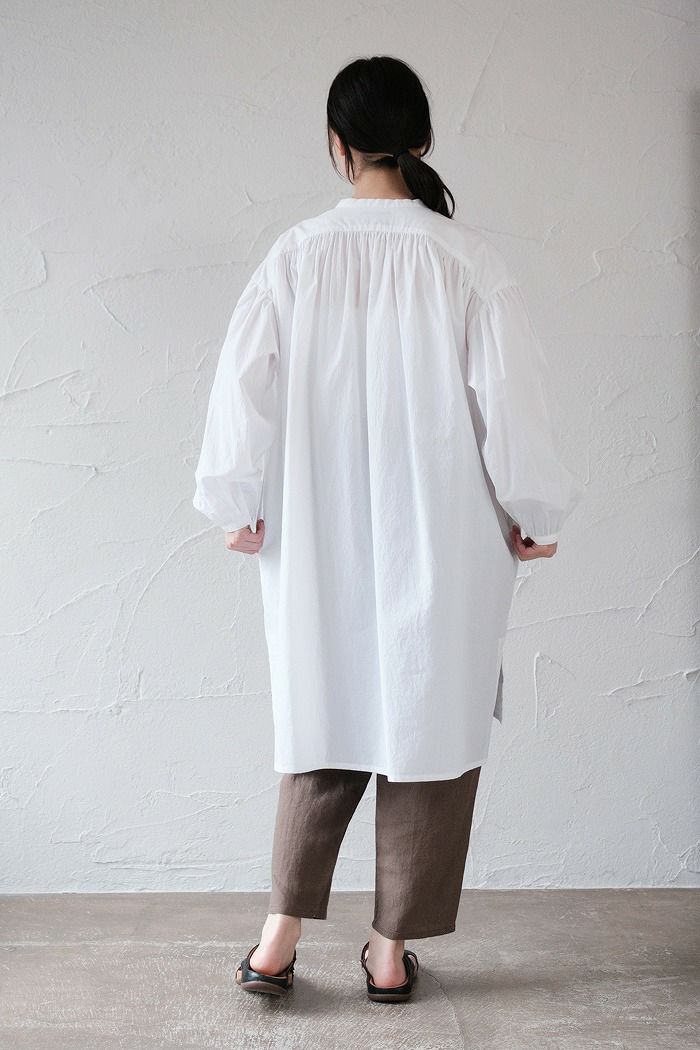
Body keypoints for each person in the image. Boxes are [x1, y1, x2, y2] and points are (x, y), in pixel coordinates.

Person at [192, 55, 585, 1001]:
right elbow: (512, 401)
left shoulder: (295, 255)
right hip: (442, 536)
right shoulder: (465, 259)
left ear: (337, 145)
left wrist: (233, 501)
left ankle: (278, 938)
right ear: (422, 139)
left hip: (316, 537)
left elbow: (240, 386)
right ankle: (386, 950)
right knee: (429, 727)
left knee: (320, 719)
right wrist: (533, 509)